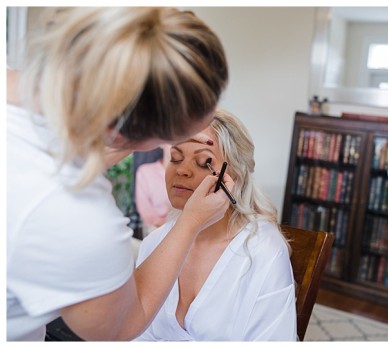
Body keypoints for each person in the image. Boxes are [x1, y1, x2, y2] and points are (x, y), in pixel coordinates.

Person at [7, 7, 231, 341]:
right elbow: (121, 325)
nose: (183, 169)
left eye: (203, 161)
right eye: (173, 149)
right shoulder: (73, 215)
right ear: (120, 132)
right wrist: (190, 223)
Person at [134, 109, 296, 341]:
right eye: (176, 158)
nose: (181, 170)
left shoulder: (263, 252)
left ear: (234, 178)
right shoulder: (154, 244)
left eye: (203, 162)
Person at [135, 145, 173, 234]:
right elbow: (146, 212)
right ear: (162, 143)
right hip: (157, 229)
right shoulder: (145, 172)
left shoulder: (188, 173)